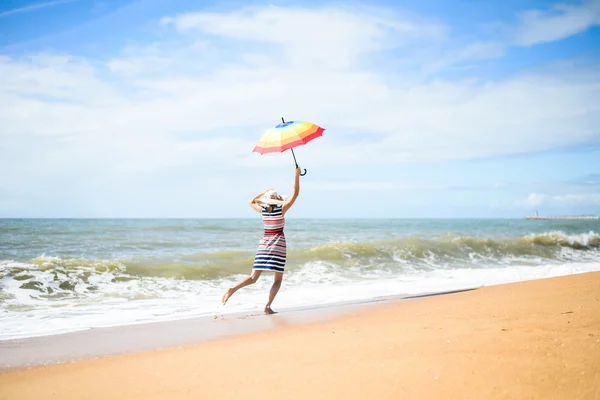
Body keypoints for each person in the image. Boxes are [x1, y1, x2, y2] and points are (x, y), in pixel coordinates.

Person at [222, 167, 301, 314]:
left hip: (264, 245)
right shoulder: (281, 209)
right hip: (278, 244)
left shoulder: (262, 210)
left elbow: (250, 201)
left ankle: (233, 289)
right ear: (277, 200)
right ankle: (267, 306)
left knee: (253, 277)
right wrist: (297, 175)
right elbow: (295, 194)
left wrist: (263, 193)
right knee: (277, 280)